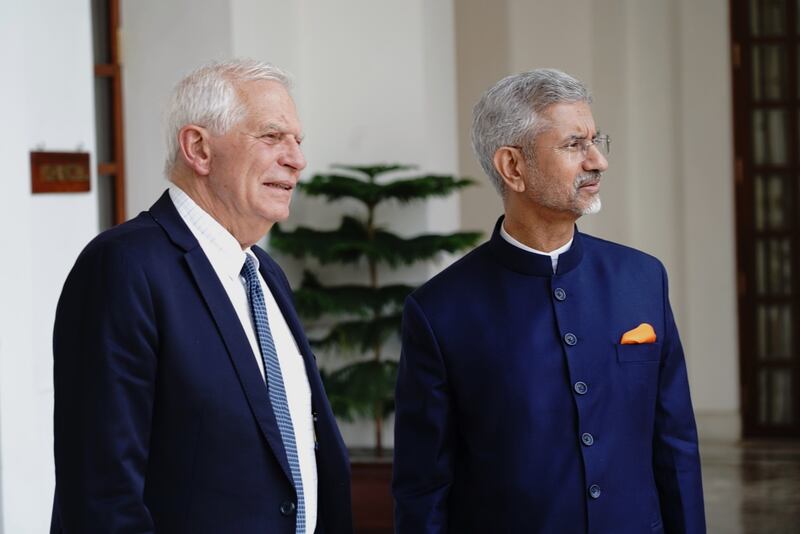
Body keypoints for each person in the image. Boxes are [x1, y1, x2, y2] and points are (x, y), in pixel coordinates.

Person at [393, 69, 705, 533]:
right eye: (574, 144)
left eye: (596, 141)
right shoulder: (439, 311)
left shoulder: (642, 279)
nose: (598, 161)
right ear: (513, 167)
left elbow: (675, 444)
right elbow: (424, 487)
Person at [51, 59, 352, 534]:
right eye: (272, 137)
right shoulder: (123, 267)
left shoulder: (264, 273)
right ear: (199, 149)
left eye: (298, 141)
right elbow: (102, 494)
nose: (297, 159)